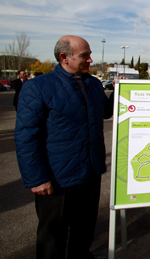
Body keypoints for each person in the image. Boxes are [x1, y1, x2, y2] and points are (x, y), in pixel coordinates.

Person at [15, 35, 114, 259]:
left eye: (89, 54)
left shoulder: (94, 84)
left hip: (90, 173)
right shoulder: (37, 87)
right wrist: (37, 178)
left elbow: (105, 112)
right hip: (57, 178)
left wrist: (125, 91)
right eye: (85, 55)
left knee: (85, 228)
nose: (90, 60)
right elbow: (26, 137)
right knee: (53, 236)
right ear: (64, 57)